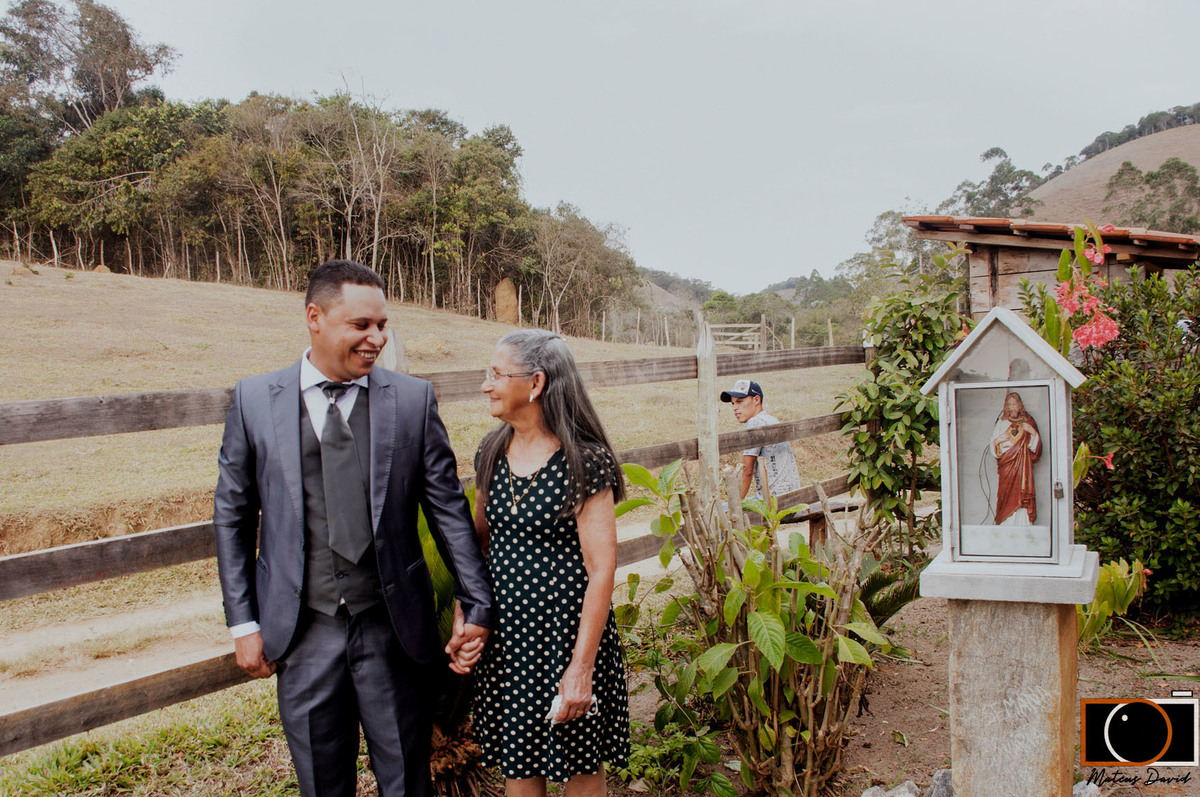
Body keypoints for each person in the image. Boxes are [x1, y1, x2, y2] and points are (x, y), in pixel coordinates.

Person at [213, 259, 493, 797]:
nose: (377, 339)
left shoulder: (411, 402)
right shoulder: (253, 402)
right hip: (302, 630)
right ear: (315, 318)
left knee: (407, 781)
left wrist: (476, 602)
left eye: (382, 325)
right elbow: (233, 515)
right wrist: (242, 623)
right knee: (322, 783)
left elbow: (448, 509)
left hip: (391, 629)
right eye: (360, 326)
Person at [471, 329, 631, 796]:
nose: (487, 384)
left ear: (536, 384)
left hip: (567, 639)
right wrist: (470, 616)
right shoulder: (490, 452)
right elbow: (478, 547)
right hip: (509, 644)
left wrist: (581, 668)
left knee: (580, 763)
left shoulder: (585, 462)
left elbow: (602, 569)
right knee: (519, 764)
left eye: (497, 374)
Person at [720, 378, 802, 502]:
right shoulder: (770, 420)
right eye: (733, 403)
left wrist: (735, 506)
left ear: (756, 400)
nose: (735, 408)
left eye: (740, 401)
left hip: (774, 503)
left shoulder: (755, 423)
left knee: (723, 510)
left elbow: (747, 471)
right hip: (794, 499)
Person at [990, 391, 1041, 525]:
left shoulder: (1028, 422)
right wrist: (997, 441)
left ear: (1020, 406)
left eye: (1015, 404)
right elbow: (993, 445)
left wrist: (1032, 432)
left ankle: (1022, 523)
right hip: (1006, 466)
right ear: (1006, 407)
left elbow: (1035, 448)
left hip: (1023, 467)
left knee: (1022, 493)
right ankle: (1006, 522)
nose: (1012, 408)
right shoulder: (1001, 423)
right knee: (1005, 494)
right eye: (1010, 405)